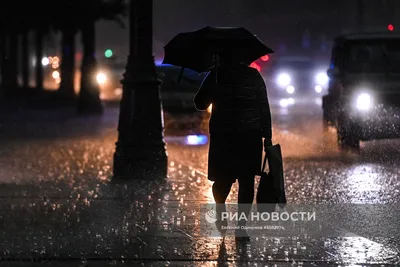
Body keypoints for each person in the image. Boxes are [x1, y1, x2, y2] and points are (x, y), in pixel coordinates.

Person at [194, 52, 272, 239]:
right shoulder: (252, 77)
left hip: (226, 137)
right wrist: (267, 137)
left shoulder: (216, 75)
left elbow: (199, 103)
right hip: (248, 137)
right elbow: (264, 107)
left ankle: (228, 216)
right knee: (245, 182)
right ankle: (240, 226)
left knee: (225, 179)